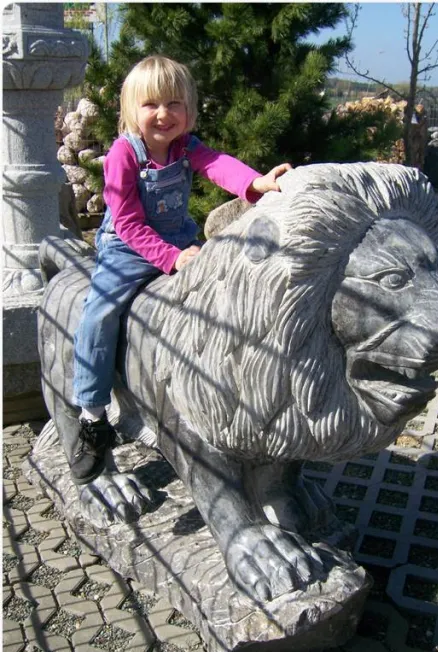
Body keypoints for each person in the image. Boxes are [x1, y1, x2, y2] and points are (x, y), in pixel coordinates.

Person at [71, 55, 291, 484]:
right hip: (128, 250)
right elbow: (130, 223)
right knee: (98, 316)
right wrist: (172, 258)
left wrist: (256, 183)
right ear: (131, 110)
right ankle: (93, 415)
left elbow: (218, 164)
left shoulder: (185, 148)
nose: (162, 114)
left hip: (177, 241)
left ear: (188, 109)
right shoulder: (123, 154)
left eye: (174, 104)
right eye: (150, 104)